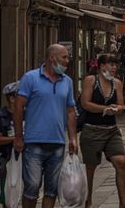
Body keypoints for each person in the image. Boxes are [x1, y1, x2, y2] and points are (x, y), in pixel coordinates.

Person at [13, 44, 77, 208]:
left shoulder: (67, 82)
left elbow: (70, 111)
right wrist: (18, 136)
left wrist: (73, 138)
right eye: (64, 57)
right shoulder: (30, 78)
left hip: (57, 143)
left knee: (52, 189)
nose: (67, 61)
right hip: (34, 142)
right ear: (52, 58)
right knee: (32, 186)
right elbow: (18, 106)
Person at [80, 54, 125, 208]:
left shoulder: (117, 83)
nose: (114, 68)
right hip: (92, 129)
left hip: (112, 130)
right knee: (90, 168)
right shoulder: (90, 81)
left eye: (115, 65)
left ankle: (123, 201)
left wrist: (116, 109)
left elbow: (121, 105)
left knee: (121, 161)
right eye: (111, 64)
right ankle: (88, 200)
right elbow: (85, 103)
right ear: (102, 66)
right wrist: (104, 109)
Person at [0, 82, 19, 208]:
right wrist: (14, 139)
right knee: (7, 191)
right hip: (7, 157)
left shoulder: (27, 114)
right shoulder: (2, 116)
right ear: (12, 99)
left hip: (25, 157)